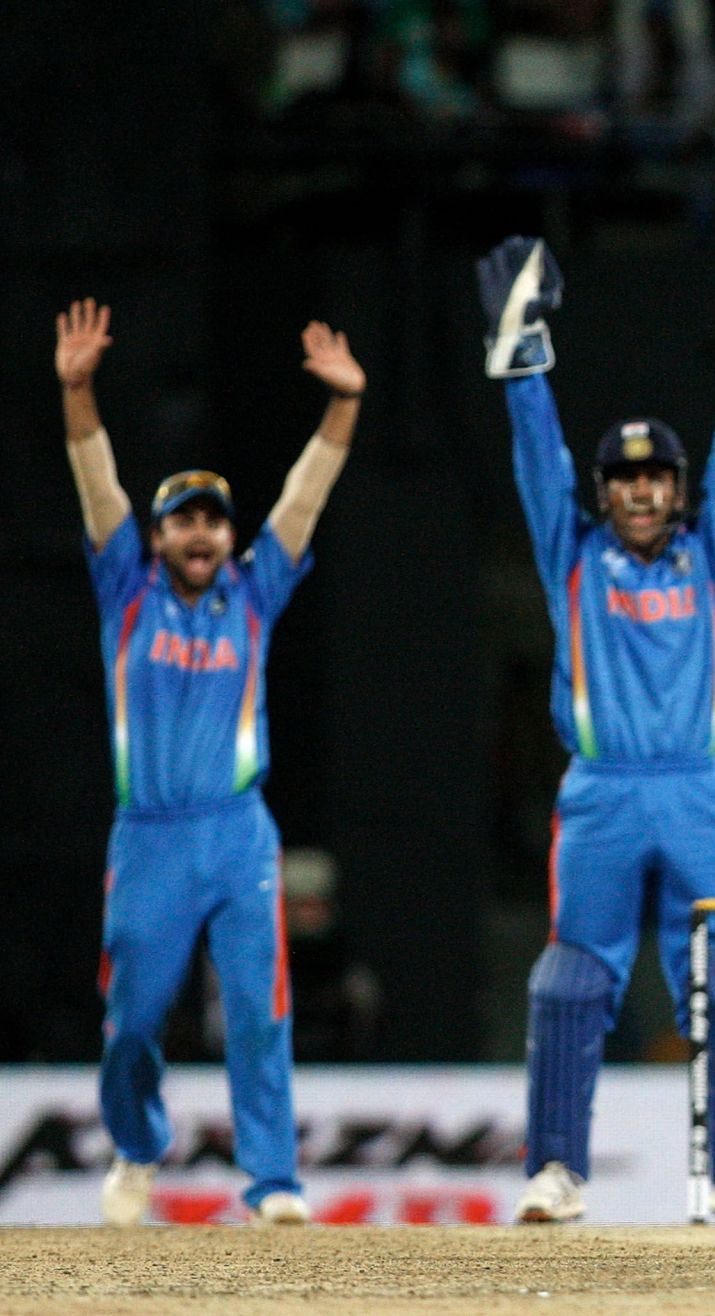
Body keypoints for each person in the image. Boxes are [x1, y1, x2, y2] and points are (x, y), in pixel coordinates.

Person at [476, 232, 715, 1224]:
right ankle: (556, 1169)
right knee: (572, 978)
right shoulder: (569, 555)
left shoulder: (708, 552)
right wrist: (522, 358)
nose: (639, 492)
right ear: (603, 493)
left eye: (656, 478)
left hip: (698, 784)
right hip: (602, 790)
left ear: (675, 486)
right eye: (622, 481)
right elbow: (536, 457)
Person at [58, 298, 364, 1226]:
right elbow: (96, 481)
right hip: (149, 837)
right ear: (157, 539)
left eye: (214, 523)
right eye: (183, 523)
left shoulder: (256, 591)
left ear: (231, 536)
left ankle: (274, 1181)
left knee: (261, 1010)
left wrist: (342, 407)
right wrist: (77, 390)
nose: (200, 535)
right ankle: (139, 1145)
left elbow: (306, 496)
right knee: (134, 1021)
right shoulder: (126, 587)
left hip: (238, 831)